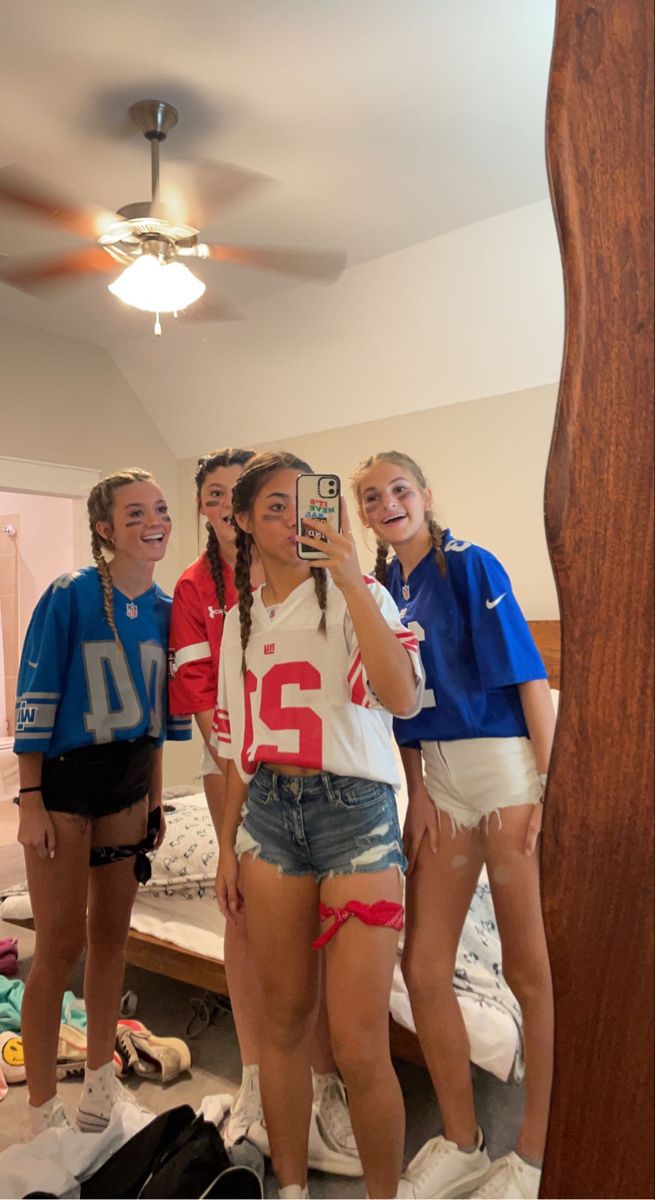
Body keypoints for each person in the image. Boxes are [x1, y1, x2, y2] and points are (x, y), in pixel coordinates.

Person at [214, 451, 424, 1200]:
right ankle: (294, 1190)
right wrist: (225, 847)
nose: (289, 518)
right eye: (271, 506)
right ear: (239, 522)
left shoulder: (359, 592)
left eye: (300, 503)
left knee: (359, 1039)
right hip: (268, 816)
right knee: (283, 1024)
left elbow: (400, 699)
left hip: (356, 816)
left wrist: (348, 578)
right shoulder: (236, 621)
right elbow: (241, 747)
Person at [353, 451, 556, 1200]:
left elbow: (530, 679)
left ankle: (532, 1156)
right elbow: (398, 705)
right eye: (371, 497)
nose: (387, 503)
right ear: (365, 515)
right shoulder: (381, 592)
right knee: (424, 965)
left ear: (425, 495)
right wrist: (418, 793)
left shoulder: (470, 565)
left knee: (528, 969)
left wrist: (548, 785)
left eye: (398, 489)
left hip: (503, 772)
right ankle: (462, 1139)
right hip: (438, 780)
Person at [169, 448, 361, 1175]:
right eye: (215, 497)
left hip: (326, 774)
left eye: (233, 496)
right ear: (216, 511)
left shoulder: (312, 571)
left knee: (308, 932)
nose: (226, 509)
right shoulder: (197, 586)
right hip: (234, 765)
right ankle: (255, 1075)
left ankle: (323, 1079)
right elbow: (202, 696)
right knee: (245, 920)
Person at [14, 468, 192, 1136]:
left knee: (112, 941)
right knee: (57, 948)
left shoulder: (171, 610)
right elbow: (36, 696)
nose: (155, 521)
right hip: (62, 782)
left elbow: (155, 716)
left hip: (127, 780)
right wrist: (29, 799)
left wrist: (153, 799)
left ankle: (98, 1083)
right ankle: (39, 1111)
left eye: (162, 509)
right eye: (136, 511)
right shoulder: (70, 595)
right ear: (104, 527)